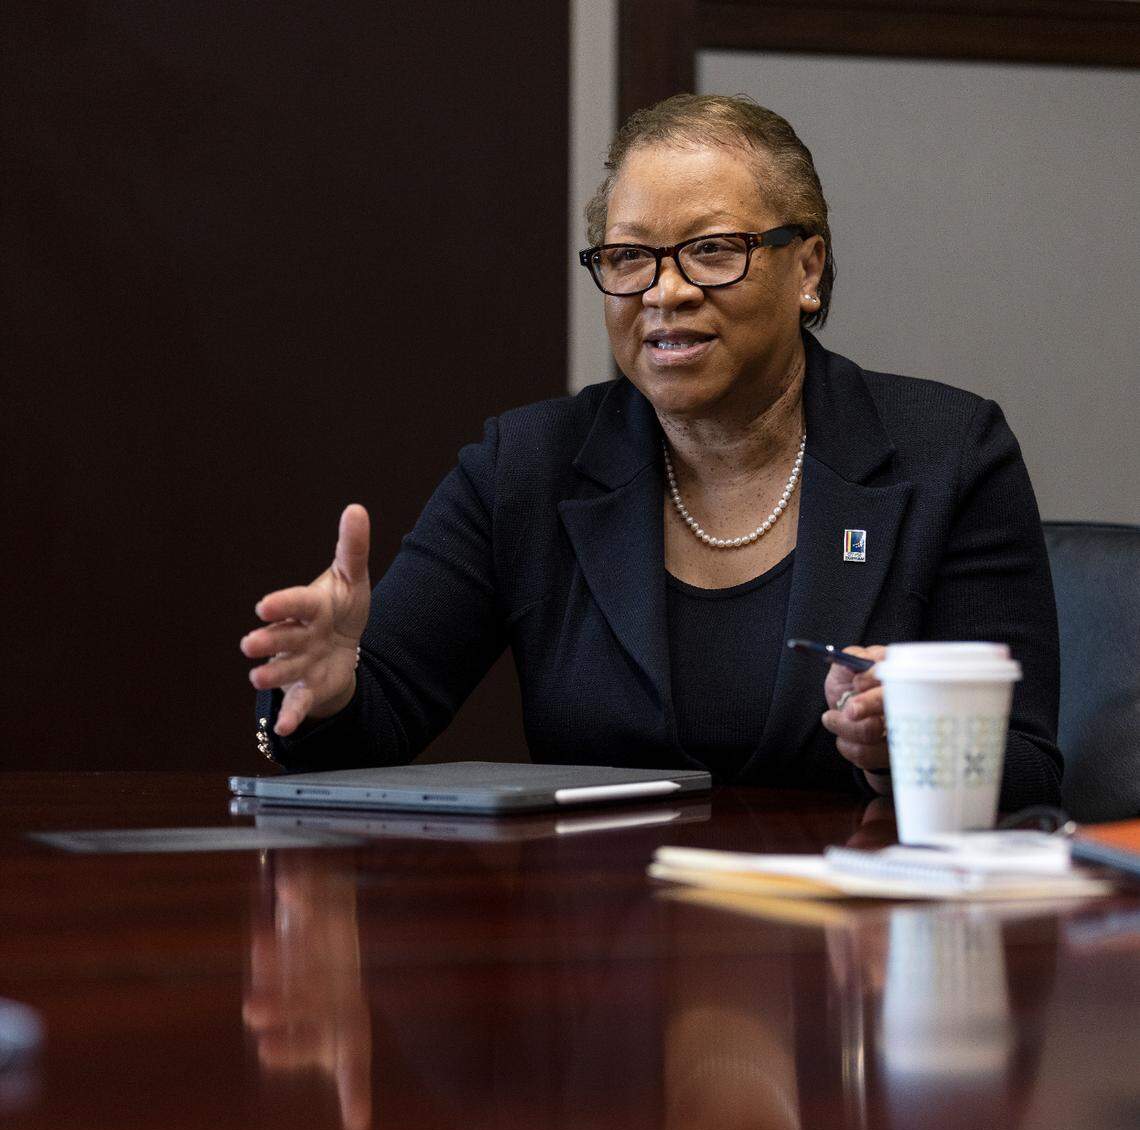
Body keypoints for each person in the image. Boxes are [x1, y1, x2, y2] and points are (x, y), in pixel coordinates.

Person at [241, 93, 1062, 806]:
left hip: (851, 925)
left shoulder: (949, 455)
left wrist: (912, 749)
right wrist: (328, 691)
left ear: (808, 269)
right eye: (630, 258)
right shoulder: (524, 468)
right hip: (605, 926)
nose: (665, 292)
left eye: (713, 250)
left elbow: (1030, 768)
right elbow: (370, 728)